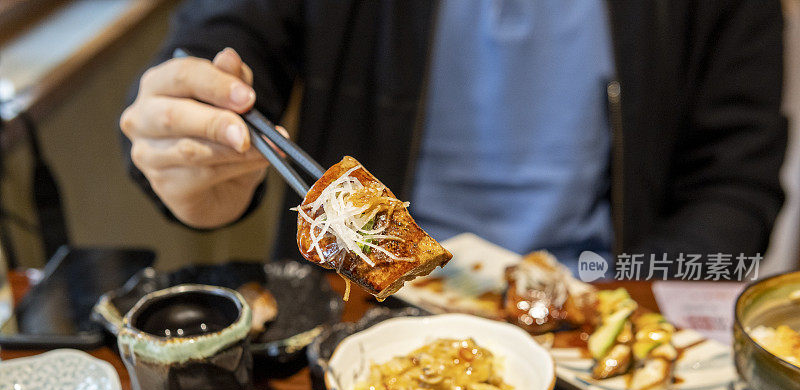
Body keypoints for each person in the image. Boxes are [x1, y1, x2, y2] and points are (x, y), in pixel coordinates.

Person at [120, 0, 787, 272]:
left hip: (597, 299)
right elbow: (218, 41)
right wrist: (189, 135)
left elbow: (735, 178)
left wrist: (626, 307)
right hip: (367, 299)